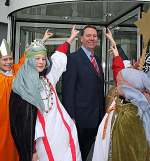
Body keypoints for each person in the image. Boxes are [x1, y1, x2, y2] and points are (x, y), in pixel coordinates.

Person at [9, 25, 82, 161]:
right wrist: (31, 150)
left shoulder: (48, 76)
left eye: (43, 58)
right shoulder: (21, 86)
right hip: (41, 143)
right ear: (29, 60)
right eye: (37, 58)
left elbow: (59, 57)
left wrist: (71, 38)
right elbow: (20, 124)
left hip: (62, 136)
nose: (41, 62)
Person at [92, 29, 150, 161]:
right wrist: (114, 44)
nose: (136, 62)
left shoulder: (132, 113)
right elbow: (121, 64)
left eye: (140, 61)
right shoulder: (131, 78)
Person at [0, 30, 52, 161]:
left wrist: (42, 40)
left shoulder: (18, 71)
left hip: (18, 118)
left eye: (10, 58)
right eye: (4, 59)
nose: (8, 62)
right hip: (2, 122)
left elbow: (28, 57)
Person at [62, 25, 105, 161]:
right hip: (79, 119)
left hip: (96, 118)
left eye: (94, 36)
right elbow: (68, 90)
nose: (92, 39)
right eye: (88, 35)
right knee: (76, 154)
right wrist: (71, 116)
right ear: (81, 39)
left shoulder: (97, 60)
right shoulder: (73, 59)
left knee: (85, 153)